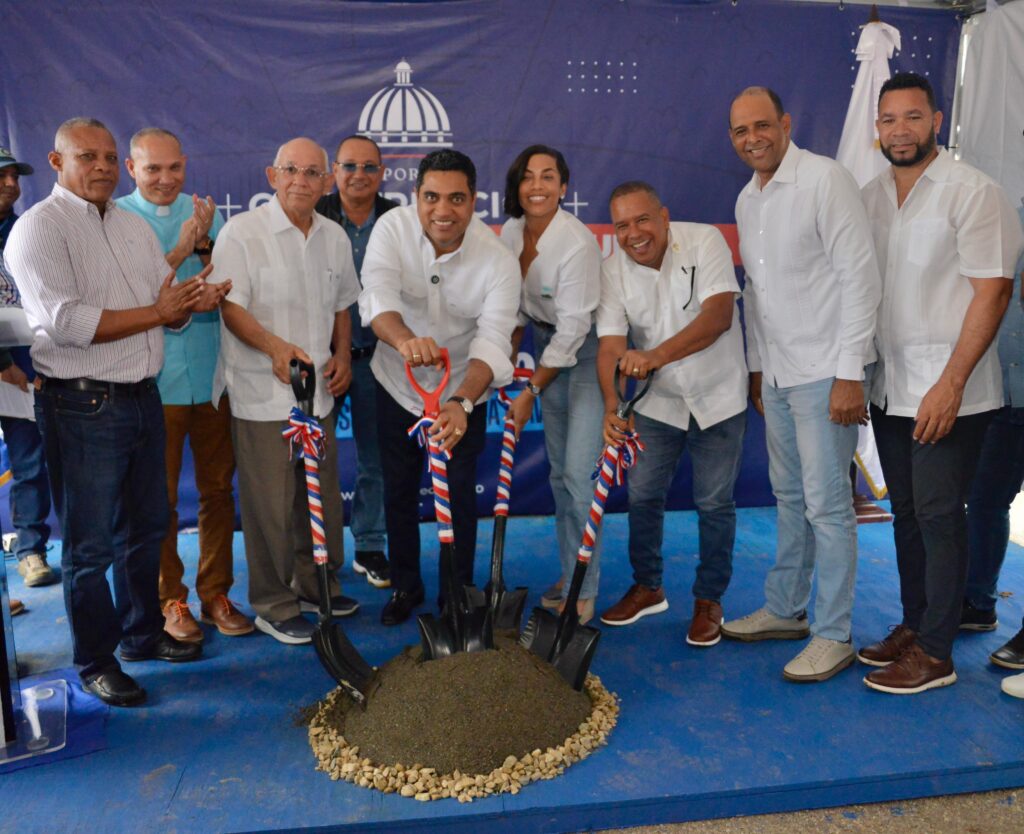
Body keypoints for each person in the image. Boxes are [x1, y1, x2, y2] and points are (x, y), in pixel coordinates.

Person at [6, 117, 227, 706]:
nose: (102, 166)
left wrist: (187, 303)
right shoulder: (37, 229)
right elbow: (66, 323)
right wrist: (161, 312)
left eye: (109, 156)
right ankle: (96, 660)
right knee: (89, 547)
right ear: (56, 163)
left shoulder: (130, 227)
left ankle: (140, 635)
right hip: (81, 403)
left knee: (145, 529)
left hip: (140, 396)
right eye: (88, 156)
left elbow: (160, 301)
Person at [858, 73, 1023, 695]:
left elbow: (994, 290)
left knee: (937, 514)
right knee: (906, 514)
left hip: (949, 390)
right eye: (889, 119)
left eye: (912, 117)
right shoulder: (871, 195)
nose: (900, 130)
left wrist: (951, 383)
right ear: (877, 128)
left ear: (937, 120)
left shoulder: (974, 192)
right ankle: (915, 624)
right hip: (889, 386)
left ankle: (936, 653)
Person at [721, 87, 881, 683]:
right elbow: (758, 300)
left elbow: (859, 279)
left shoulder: (825, 180)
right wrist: (759, 368)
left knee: (828, 506)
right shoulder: (746, 199)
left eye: (762, 125)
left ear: (785, 124)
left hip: (826, 373)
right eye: (740, 131)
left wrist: (848, 374)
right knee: (789, 496)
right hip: (782, 374)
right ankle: (786, 610)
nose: (752, 138)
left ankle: (833, 633)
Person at [359, 149, 520, 626]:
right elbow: (377, 296)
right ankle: (406, 587)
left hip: (460, 394)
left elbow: (493, 342)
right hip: (395, 384)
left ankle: (457, 591)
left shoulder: (498, 260)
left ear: (474, 202)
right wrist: (406, 341)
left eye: (455, 198)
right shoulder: (391, 229)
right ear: (416, 196)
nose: (442, 210)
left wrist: (461, 402)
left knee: (458, 494)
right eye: (431, 197)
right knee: (399, 491)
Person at [211, 137, 361, 645]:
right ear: (272, 175)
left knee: (317, 502)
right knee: (270, 506)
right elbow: (231, 309)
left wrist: (341, 354)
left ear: (327, 181)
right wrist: (275, 348)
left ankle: (317, 584)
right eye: (291, 170)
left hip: (317, 396)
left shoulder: (334, 236)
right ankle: (273, 604)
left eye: (313, 172)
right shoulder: (241, 233)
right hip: (262, 397)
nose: (302, 180)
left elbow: (343, 303)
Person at [596, 182, 748, 647]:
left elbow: (719, 315)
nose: (633, 233)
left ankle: (709, 599)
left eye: (642, 220)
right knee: (642, 495)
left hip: (718, 395)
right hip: (658, 403)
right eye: (621, 225)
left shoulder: (705, 241)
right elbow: (610, 346)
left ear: (663, 216)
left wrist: (656, 355)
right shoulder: (612, 270)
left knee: (714, 503)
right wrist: (609, 405)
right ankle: (649, 587)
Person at [118, 127, 252, 642]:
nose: (165, 179)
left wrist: (215, 287)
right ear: (132, 169)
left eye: (174, 168)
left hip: (212, 377)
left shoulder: (205, 212)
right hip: (156, 382)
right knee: (161, 501)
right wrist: (178, 253)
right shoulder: (120, 219)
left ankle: (216, 591)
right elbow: (137, 297)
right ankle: (169, 600)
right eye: (152, 169)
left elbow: (213, 272)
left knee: (218, 492)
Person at [499, 144, 604, 624]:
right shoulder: (512, 232)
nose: (536, 186)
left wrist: (530, 390)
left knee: (578, 478)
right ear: (516, 185)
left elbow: (572, 333)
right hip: (548, 350)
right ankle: (571, 568)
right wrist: (501, 358)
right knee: (559, 475)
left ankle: (584, 592)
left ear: (564, 187)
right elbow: (514, 307)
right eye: (528, 176)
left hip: (583, 355)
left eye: (548, 177)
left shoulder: (576, 244)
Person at [316, 134, 398, 589]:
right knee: (314, 462)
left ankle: (369, 545)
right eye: (349, 167)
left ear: (382, 173)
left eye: (369, 167)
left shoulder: (400, 220)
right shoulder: (313, 214)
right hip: (321, 360)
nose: (359, 176)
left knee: (376, 460)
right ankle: (319, 556)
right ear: (334, 171)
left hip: (381, 360)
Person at [0, 147, 57, 589]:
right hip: (7, 368)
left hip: (21, 369)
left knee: (29, 462)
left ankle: (31, 551)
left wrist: (17, 366)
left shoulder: (25, 230)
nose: (10, 185)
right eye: (1, 177)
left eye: (14, 177)